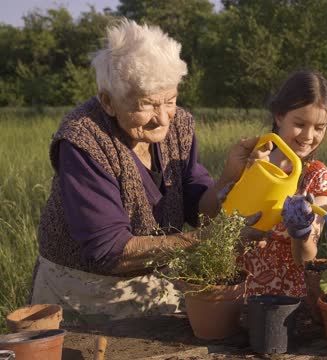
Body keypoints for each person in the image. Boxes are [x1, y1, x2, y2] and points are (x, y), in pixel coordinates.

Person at [30, 19, 267, 321]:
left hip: (154, 284)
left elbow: (198, 208)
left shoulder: (179, 124)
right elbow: (111, 251)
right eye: (146, 105)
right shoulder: (83, 139)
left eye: (170, 100)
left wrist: (231, 178)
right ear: (108, 101)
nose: (163, 118)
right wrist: (210, 239)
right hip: (83, 295)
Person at [242, 70, 327, 298]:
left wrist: (300, 231)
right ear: (279, 116)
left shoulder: (318, 178)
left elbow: (306, 257)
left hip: (285, 299)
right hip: (235, 289)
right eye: (300, 123)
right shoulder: (255, 161)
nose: (308, 135)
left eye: (319, 128)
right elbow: (219, 218)